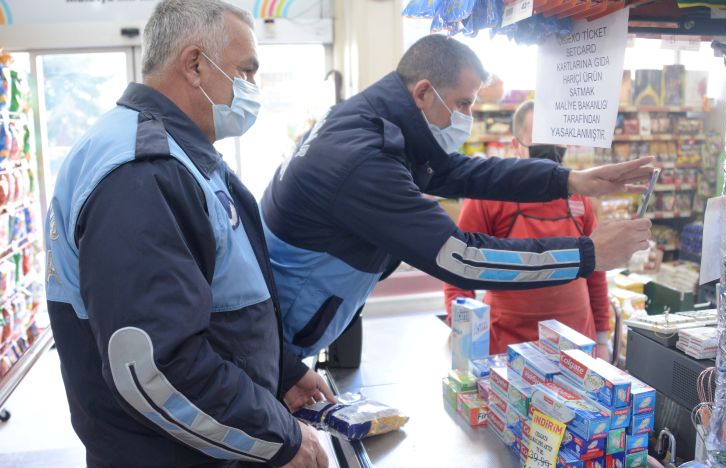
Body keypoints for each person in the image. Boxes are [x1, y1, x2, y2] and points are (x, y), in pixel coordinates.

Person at [45, 2, 332, 467]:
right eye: (246, 71)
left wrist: (280, 371)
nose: (253, 89)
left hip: (203, 439)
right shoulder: (143, 174)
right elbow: (158, 365)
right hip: (170, 452)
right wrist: (281, 437)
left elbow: (215, 300)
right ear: (196, 64)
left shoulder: (179, 155)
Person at [261, 35, 653, 359]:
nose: (467, 116)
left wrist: (570, 181)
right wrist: (586, 255)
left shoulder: (376, 123)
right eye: (464, 103)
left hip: (288, 329)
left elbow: (461, 171)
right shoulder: (362, 161)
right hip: (278, 336)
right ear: (423, 93)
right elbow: (461, 258)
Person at [443, 100, 611, 359]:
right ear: (515, 146)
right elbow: (457, 268)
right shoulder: (489, 196)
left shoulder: (579, 197)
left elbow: (597, 271)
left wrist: (602, 338)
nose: (550, 152)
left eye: (556, 142)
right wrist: (463, 333)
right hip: (507, 348)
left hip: (577, 349)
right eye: (540, 144)